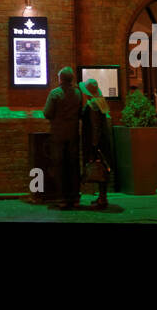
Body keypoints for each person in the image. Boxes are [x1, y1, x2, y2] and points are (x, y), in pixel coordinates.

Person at [43, 65, 84, 209]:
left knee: (59, 166)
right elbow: (80, 113)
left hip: (58, 134)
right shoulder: (78, 93)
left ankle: (62, 198)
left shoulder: (55, 93)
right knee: (73, 166)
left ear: (60, 78)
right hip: (73, 134)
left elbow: (47, 113)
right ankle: (75, 197)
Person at [80, 78, 117, 209]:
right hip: (104, 142)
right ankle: (102, 196)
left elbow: (95, 127)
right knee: (103, 168)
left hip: (97, 142)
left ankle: (102, 199)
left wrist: (94, 146)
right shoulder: (101, 102)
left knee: (99, 167)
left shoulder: (93, 105)